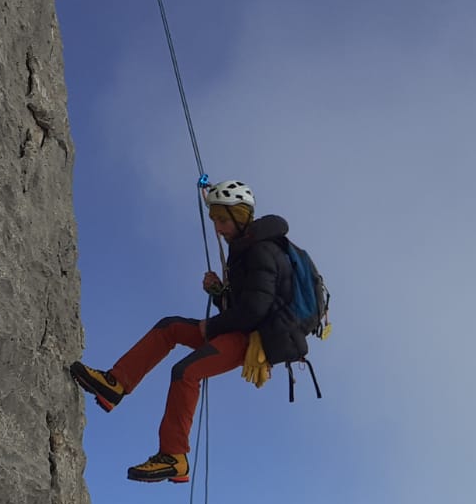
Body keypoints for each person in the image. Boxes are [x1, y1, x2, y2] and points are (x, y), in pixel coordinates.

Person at [69, 180, 309, 482]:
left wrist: (213, 324)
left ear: (239, 215)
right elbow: (244, 304)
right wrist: (218, 293)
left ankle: (175, 457)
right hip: (244, 330)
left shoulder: (260, 250)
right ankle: (115, 384)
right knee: (171, 327)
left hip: (255, 341)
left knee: (186, 372)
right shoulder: (244, 249)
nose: (218, 228)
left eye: (222, 220)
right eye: (215, 221)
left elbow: (254, 311)